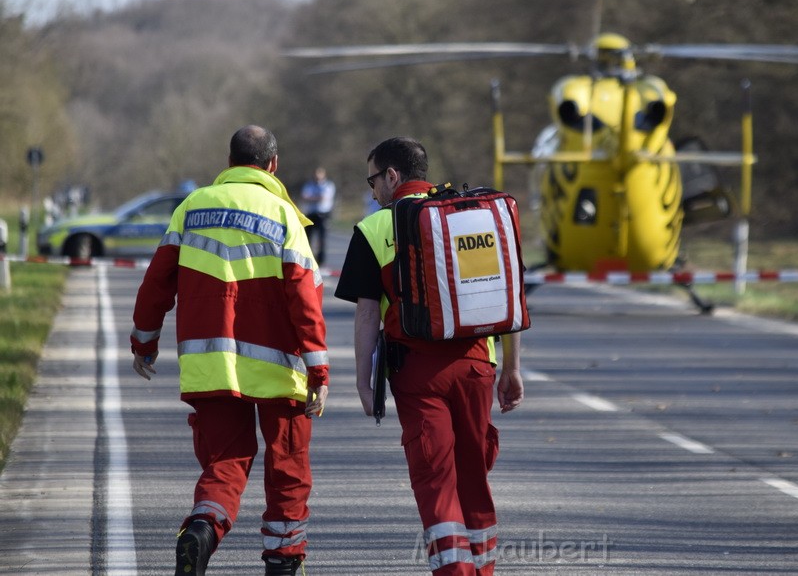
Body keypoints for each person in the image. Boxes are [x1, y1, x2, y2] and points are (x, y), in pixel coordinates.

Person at [129, 125, 330, 576]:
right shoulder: (283, 215)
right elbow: (305, 299)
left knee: (224, 462)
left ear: (230, 161)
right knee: (288, 467)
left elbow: (156, 284)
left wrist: (144, 342)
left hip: (211, 366)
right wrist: (319, 371)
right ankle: (283, 561)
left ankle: (201, 529)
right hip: (280, 370)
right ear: (272, 165)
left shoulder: (192, 206)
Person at [334, 136, 525, 576]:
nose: (372, 192)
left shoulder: (376, 228)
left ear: (393, 176)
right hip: (479, 363)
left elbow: (366, 317)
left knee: (435, 480)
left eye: (373, 181)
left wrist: (364, 383)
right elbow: (508, 298)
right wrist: (511, 369)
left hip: (418, 372)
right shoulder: (472, 216)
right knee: (473, 477)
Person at [300, 166, 337, 265]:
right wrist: (316, 197)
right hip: (311, 214)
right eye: (316, 174)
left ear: (323, 174)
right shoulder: (309, 185)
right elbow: (304, 196)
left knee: (322, 238)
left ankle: (320, 260)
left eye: (319, 174)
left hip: (323, 215)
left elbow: (324, 198)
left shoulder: (328, 185)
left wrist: (312, 198)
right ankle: (307, 258)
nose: (317, 176)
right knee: (308, 238)